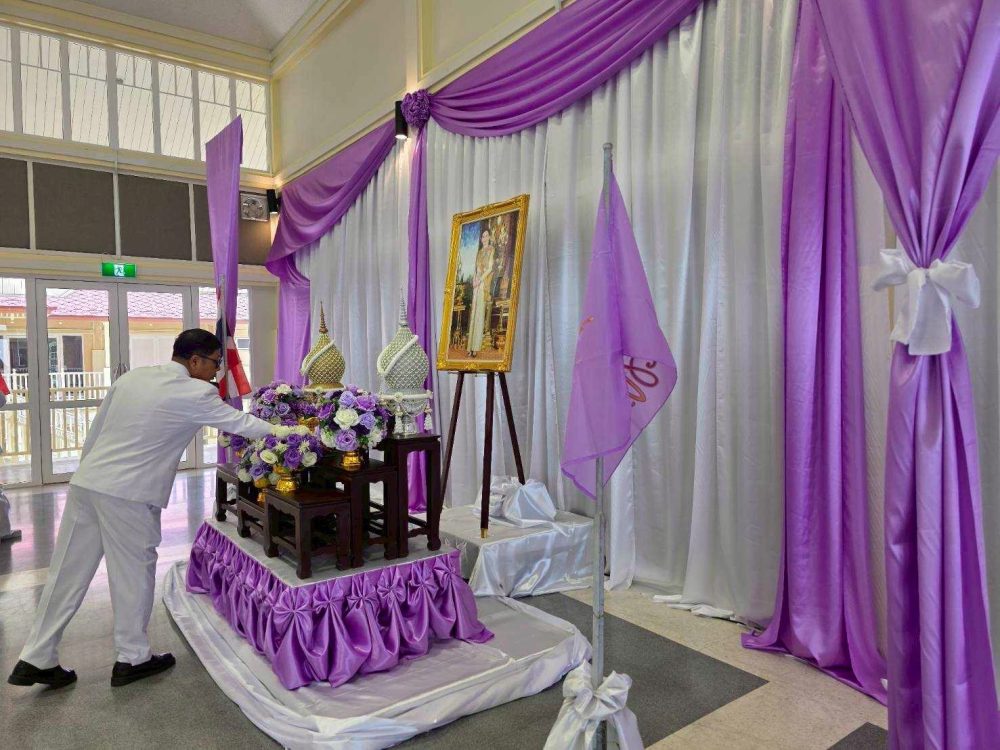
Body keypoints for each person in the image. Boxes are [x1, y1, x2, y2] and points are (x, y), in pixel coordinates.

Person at [7, 329, 285, 690]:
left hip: (88, 483)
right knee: (133, 574)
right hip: (130, 495)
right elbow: (243, 424)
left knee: (66, 572)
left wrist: (87, 472)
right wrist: (290, 432)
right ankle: (133, 657)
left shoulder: (132, 378)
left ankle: (36, 656)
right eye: (215, 364)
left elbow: (96, 431)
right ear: (195, 361)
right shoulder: (195, 392)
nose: (217, 372)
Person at [467, 228, 498, 356]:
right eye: (483, 236)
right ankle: (470, 347)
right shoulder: (479, 252)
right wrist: (474, 280)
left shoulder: (491, 250)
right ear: (481, 239)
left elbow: (490, 268)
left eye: (486, 236)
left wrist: (480, 280)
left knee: (479, 314)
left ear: (489, 237)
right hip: (477, 284)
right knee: (474, 314)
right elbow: (476, 269)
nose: (484, 238)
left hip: (483, 283)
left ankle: (475, 348)